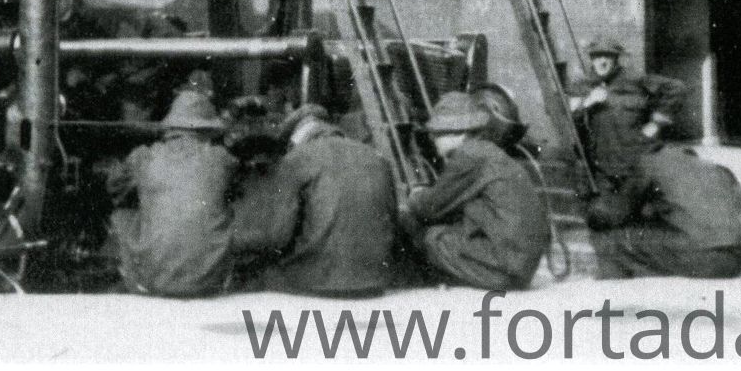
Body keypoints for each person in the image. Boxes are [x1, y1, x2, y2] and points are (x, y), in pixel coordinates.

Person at [229, 104, 399, 297]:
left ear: (295, 137)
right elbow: (392, 221)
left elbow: (277, 237)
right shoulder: (376, 157)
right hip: (376, 279)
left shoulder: (296, 159)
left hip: (318, 282)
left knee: (250, 277)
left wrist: (234, 241)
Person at [398, 88, 551, 291]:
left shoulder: (469, 156)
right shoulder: (487, 152)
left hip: (502, 268)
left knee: (423, 232)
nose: (433, 141)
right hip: (518, 265)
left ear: (458, 132)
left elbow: (430, 207)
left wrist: (414, 195)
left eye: (436, 134)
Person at [108, 86, 239, 297]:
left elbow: (114, 188)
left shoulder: (144, 157)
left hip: (154, 281)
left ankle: (140, 277)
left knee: (121, 215)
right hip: (209, 281)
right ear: (207, 130)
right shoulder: (220, 158)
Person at [585, 143, 741, 279]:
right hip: (740, 258)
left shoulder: (650, 162)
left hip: (702, 257)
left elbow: (614, 213)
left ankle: (613, 296)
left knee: (610, 240)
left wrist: (592, 208)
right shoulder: (718, 169)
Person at [570, 36, 687, 188]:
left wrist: (656, 123)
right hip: (603, 169)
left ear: (616, 59)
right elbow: (570, 119)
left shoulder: (635, 80)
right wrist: (589, 101)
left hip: (637, 163)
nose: (602, 61)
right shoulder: (583, 86)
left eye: (608, 56)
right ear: (591, 59)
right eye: (597, 56)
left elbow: (677, 88)